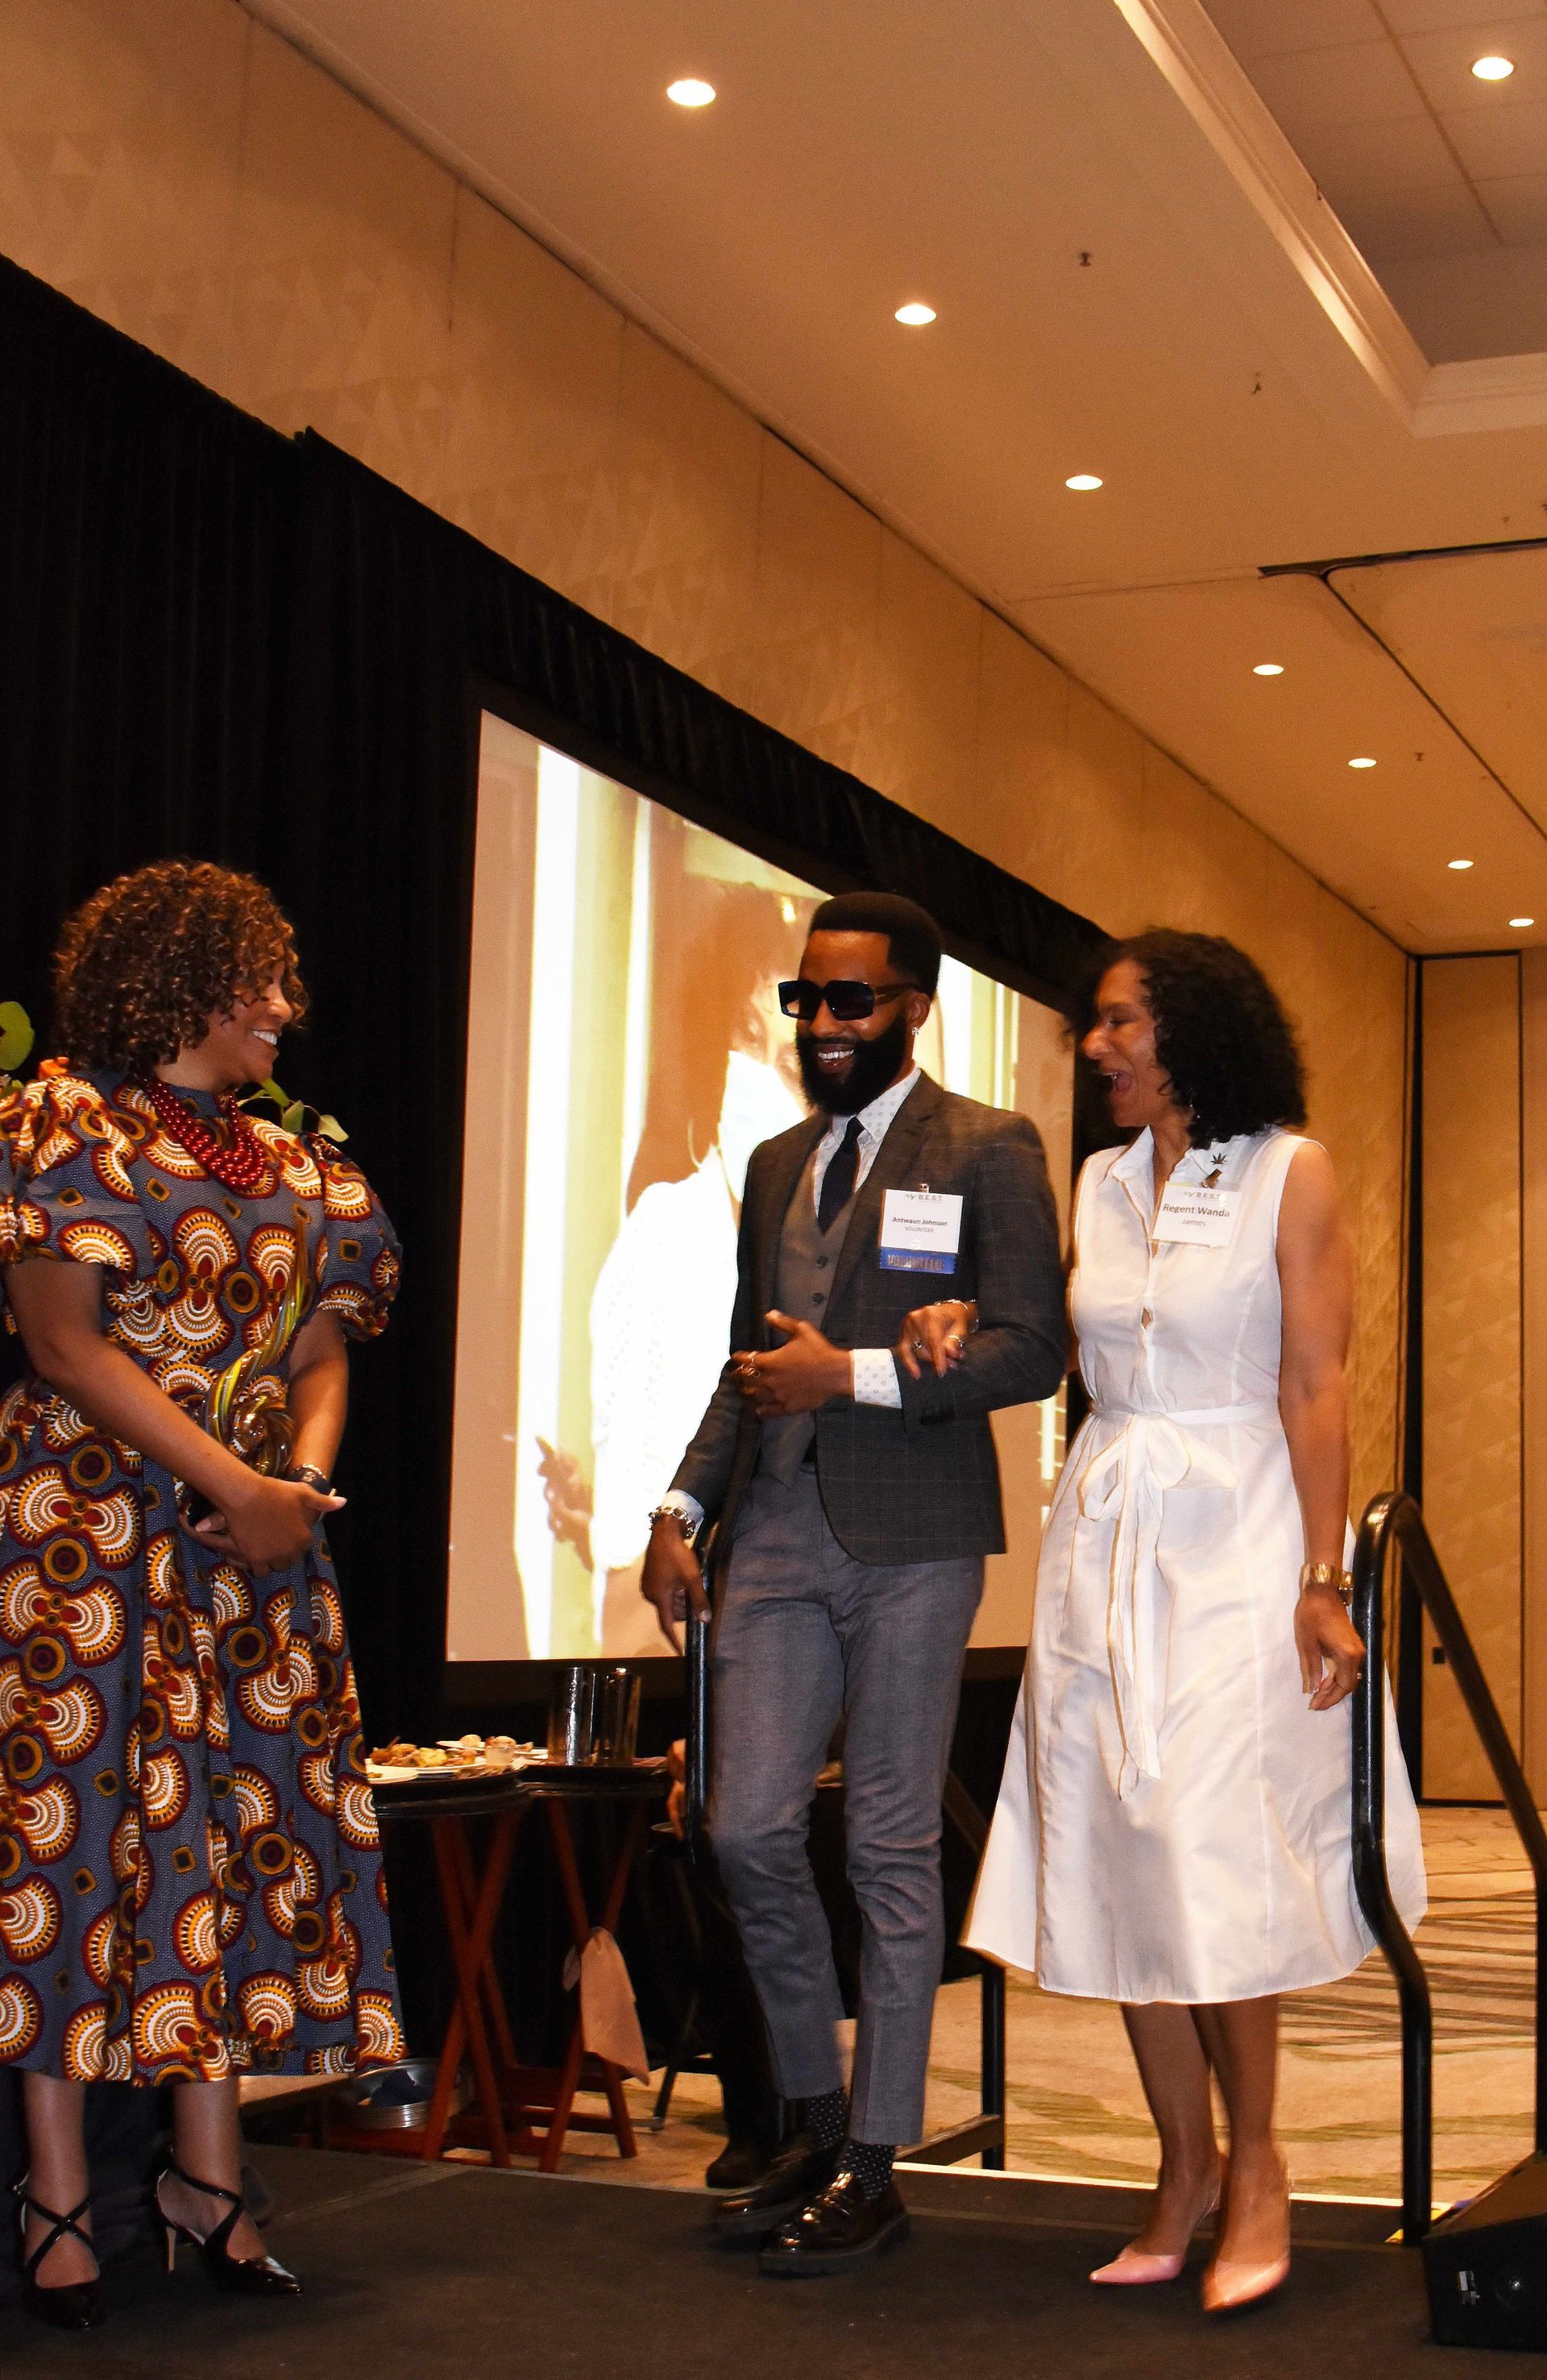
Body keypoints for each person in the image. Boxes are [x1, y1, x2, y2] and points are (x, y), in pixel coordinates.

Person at [959, 929, 1425, 2316]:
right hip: (1109, 1531)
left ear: (1188, 1029)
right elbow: (1069, 1351)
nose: (1092, 1049)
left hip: (1239, 1535)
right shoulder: (1100, 1181)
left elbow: (1318, 1384)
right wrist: (949, 1328)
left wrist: (1326, 1577)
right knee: (1112, 1849)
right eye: (1090, 1027)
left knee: (1207, 1851)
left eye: (1116, 1024)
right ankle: (1183, 2166)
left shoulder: (1294, 1168)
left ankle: (1264, 2162)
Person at [0, 860, 404, 2329]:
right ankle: (57, 2196)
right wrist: (229, 1485)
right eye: (262, 981)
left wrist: (292, 1483)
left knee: (233, 1850)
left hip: (254, 1565)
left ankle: (208, 2178)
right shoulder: (59, 1125)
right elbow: (64, 1344)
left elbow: (322, 1351)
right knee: (72, 1864)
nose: (286, 1009)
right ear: (181, 983)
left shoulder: (297, 1167)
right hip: (88, 1549)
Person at [641, 890, 1065, 2276]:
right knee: (746, 1828)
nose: (822, 1025)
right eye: (806, 999)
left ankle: (876, 2159)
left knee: (886, 1845)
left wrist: (863, 1374)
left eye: (852, 1001)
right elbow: (744, 1360)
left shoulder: (990, 1147)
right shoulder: (771, 1163)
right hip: (769, 1532)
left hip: (915, 1541)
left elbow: (1033, 1349)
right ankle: (813, 2121)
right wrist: (682, 1501)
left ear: (915, 1008)